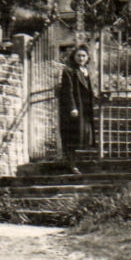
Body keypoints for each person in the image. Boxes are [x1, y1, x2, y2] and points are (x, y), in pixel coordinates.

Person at [57, 45, 97, 173]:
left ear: (87, 58)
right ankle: (71, 164)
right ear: (74, 57)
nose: (81, 58)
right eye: (78, 55)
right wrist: (72, 107)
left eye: (84, 56)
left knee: (85, 135)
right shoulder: (69, 71)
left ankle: (84, 161)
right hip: (74, 108)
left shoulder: (86, 71)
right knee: (72, 136)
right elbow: (68, 91)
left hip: (85, 108)